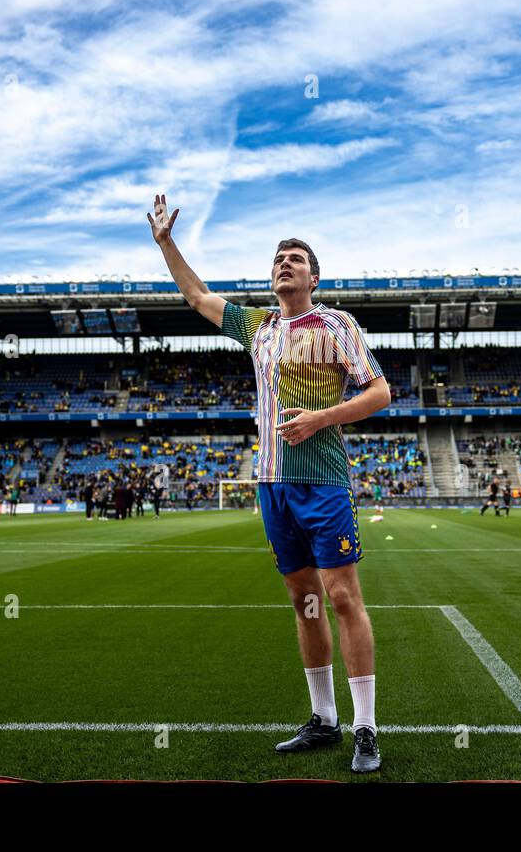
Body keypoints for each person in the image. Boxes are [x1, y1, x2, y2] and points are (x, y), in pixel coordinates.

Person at [150, 193, 390, 773]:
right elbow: (197, 296)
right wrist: (165, 243)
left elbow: (380, 394)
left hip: (324, 481)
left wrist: (321, 418)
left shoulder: (337, 324)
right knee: (305, 601)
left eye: (296, 258)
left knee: (341, 597)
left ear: (313, 276)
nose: (285, 263)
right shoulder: (257, 327)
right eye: (279, 258)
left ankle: (365, 728)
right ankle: (323, 719)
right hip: (271, 483)